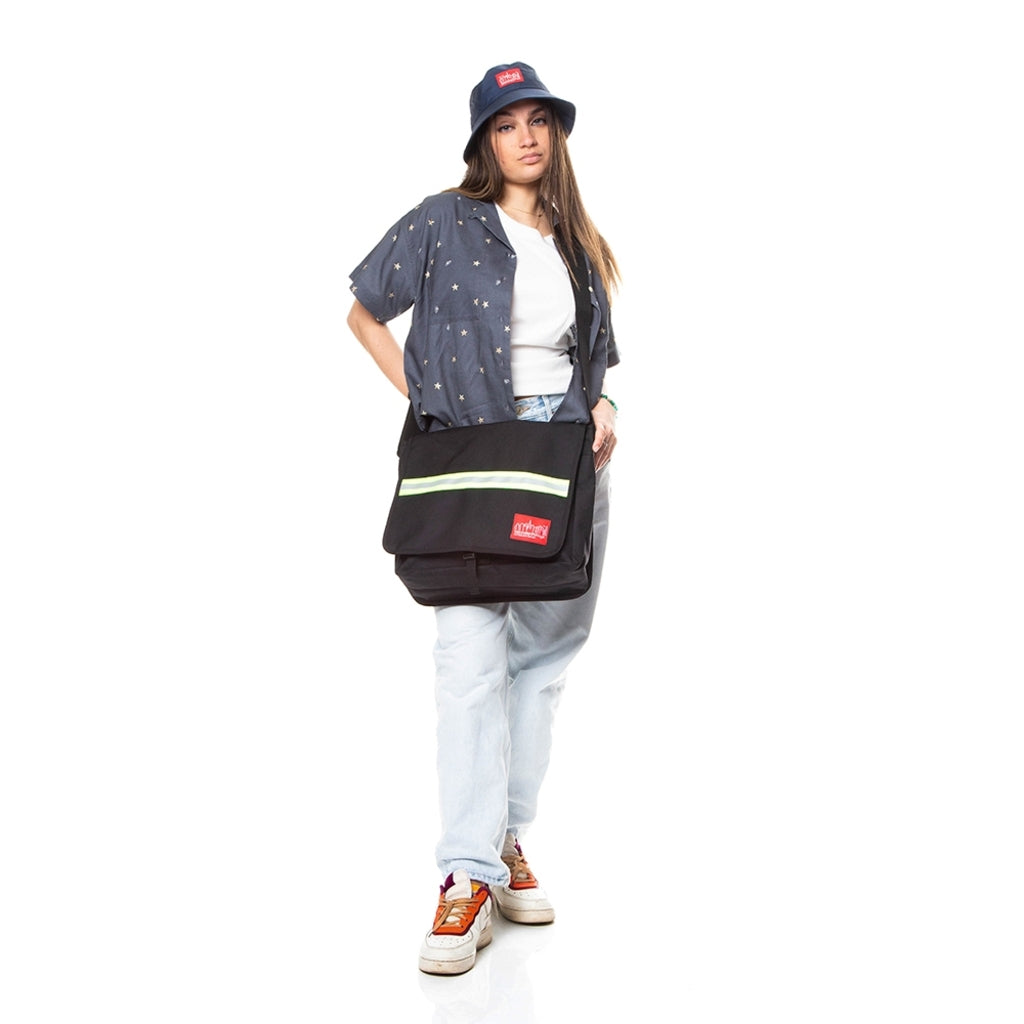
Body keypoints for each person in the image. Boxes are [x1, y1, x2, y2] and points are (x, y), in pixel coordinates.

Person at [347, 61, 622, 976]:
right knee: (469, 667)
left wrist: (604, 405)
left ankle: (504, 839)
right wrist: (424, 397)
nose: (527, 137)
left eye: (539, 120)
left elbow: (593, 358)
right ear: (483, 142)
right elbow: (364, 313)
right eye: (507, 124)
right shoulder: (442, 221)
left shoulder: (577, 242)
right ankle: (465, 875)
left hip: (566, 460)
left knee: (542, 665)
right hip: (472, 457)